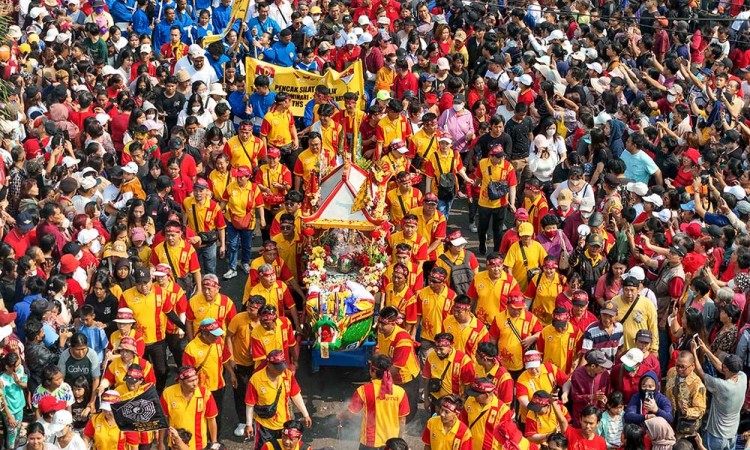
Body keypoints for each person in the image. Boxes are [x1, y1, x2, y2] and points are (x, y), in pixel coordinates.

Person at [338, 355, 409, 449]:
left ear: (373, 371)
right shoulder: (400, 392)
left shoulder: (363, 390)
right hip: (392, 444)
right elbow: (402, 420)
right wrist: (400, 439)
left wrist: (340, 415)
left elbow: (350, 413)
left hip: (369, 442)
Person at [244, 350, 311, 450]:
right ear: (269, 365)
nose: (281, 371)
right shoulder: (256, 380)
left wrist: (306, 414)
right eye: (278, 368)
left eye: (282, 367)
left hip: (284, 426)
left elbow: (295, 394)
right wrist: (249, 424)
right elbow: (250, 404)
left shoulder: (287, 375)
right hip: (264, 427)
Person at [692, 337, 746, 450]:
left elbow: (701, 373)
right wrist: (706, 350)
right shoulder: (743, 377)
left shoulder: (722, 386)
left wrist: (694, 353)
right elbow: (722, 368)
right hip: (732, 434)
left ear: (726, 368)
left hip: (716, 435)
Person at [159, 366, 218, 450]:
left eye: (196, 379)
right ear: (181, 382)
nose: (195, 384)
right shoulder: (168, 393)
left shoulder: (205, 394)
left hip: (199, 444)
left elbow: (211, 419)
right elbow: (163, 419)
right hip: (175, 444)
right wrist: (161, 442)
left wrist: (214, 442)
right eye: (190, 381)